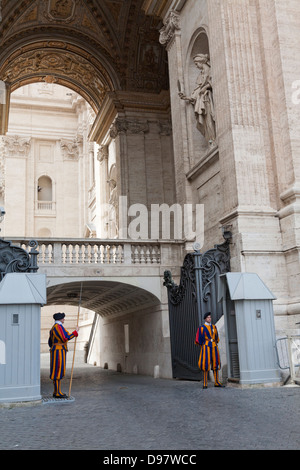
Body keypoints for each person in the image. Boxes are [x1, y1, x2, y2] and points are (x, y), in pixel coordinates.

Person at [48, 312, 79, 398]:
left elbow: (50, 342)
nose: (64, 319)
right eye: (63, 318)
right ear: (60, 319)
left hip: (57, 350)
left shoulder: (54, 327)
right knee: (58, 370)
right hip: (59, 351)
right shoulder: (58, 327)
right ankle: (57, 392)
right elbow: (65, 337)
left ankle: (56, 391)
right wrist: (75, 332)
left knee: (57, 370)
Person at [195, 312, 224, 389]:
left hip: (214, 346)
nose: (209, 318)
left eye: (210, 317)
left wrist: (214, 342)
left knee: (216, 363)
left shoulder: (214, 327)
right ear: (205, 319)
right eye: (208, 317)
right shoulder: (201, 328)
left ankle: (217, 382)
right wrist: (204, 345)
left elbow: (217, 338)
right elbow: (199, 339)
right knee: (205, 364)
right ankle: (205, 383)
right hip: (206, 347)